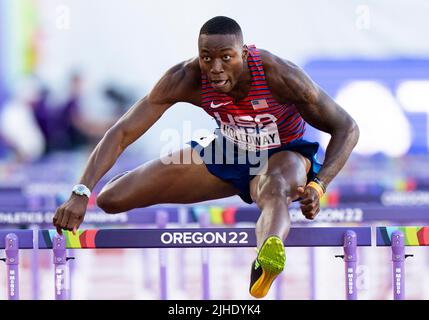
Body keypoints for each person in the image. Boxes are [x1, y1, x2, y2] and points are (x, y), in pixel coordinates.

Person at [53, 16, 359, 298]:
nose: (215, 68)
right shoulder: (186, 77)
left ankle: (266, 256)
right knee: (110, 199)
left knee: (275, 186)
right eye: (206, 57)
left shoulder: (280, 75)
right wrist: (82, 190)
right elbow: (122, 132)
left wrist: (319, 184)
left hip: (285, 154)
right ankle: (262, 233)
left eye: (226, 57)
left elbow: (347, 127)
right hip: (228, 150)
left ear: (244, 52)